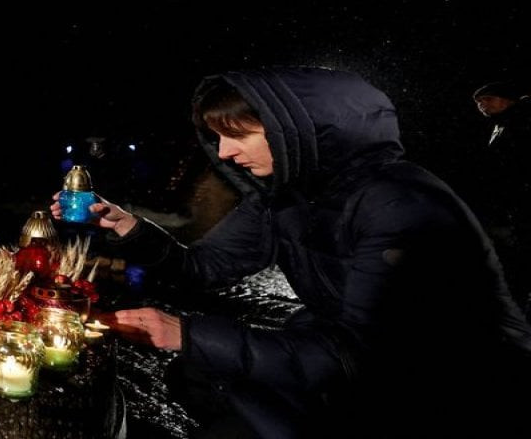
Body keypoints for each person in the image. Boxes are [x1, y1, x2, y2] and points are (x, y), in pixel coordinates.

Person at [53, 66, 531, 438]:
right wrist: (131, 227)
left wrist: (189, 334)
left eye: (238, 135)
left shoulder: (399, 203)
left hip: (458, 381)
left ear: (295, 130)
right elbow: (202, 268)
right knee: (199, 377)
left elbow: (364, 355)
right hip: (358, 361)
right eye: (217, 137)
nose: (222, 153)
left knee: (222, 392)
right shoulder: (283, 196)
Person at [469, 80, 531, 312]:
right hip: (514, 203)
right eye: (478, 102)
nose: (482, 105)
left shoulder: (522, 117)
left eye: (488, 99)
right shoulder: (503, 123)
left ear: (508, 99)